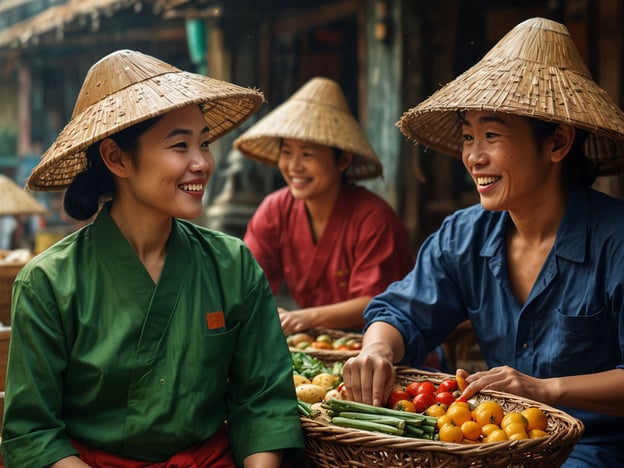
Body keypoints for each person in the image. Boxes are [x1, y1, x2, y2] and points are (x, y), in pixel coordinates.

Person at [0, 49, 305, 468]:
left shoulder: (233, 265)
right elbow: (33, 433)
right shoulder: (48, 283)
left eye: (205, 143)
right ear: (116, 158)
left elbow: (263, 403)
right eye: (180, 145)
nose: (201, 163)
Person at [341, 17, 624, 467]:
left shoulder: (615, 241)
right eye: (469, 136)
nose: (473, 157)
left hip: (593, 449)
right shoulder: (464, 235)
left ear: (557, 143)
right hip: (492, 444)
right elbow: (400, 312)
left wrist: (544, 389)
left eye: (492, 135)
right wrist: (376, 350)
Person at [233, 77, 415, 337]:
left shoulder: (373, 218)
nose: (294, 166)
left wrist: (302, 318)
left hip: (387, 345)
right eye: (287, 152)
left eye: (307, 154)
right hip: (318, 344)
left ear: (343, 159)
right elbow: (246, 283)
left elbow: (375, 301)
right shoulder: (275, 209)